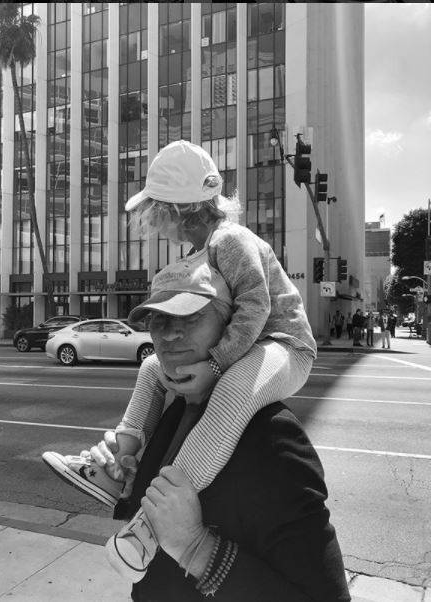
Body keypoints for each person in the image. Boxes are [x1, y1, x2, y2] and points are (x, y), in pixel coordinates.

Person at [42, 140, 317, 574]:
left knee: (232, 394)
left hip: (283, 345)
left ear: (180, 208)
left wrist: (215, 364)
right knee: (152, 366)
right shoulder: (199, 250)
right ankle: (119, 467)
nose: (154, 221)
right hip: (251, 344)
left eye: (157, 209)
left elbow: (256, 308)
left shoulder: (229, 240)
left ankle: (149, 526)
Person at [94, 268, 350, 601]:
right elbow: (159, 514)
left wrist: (197, 548)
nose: (169, 335)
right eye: (158, 321)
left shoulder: (272, 436)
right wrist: (128, 481)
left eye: (190, 318)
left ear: (231, 328)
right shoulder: (174, 409)